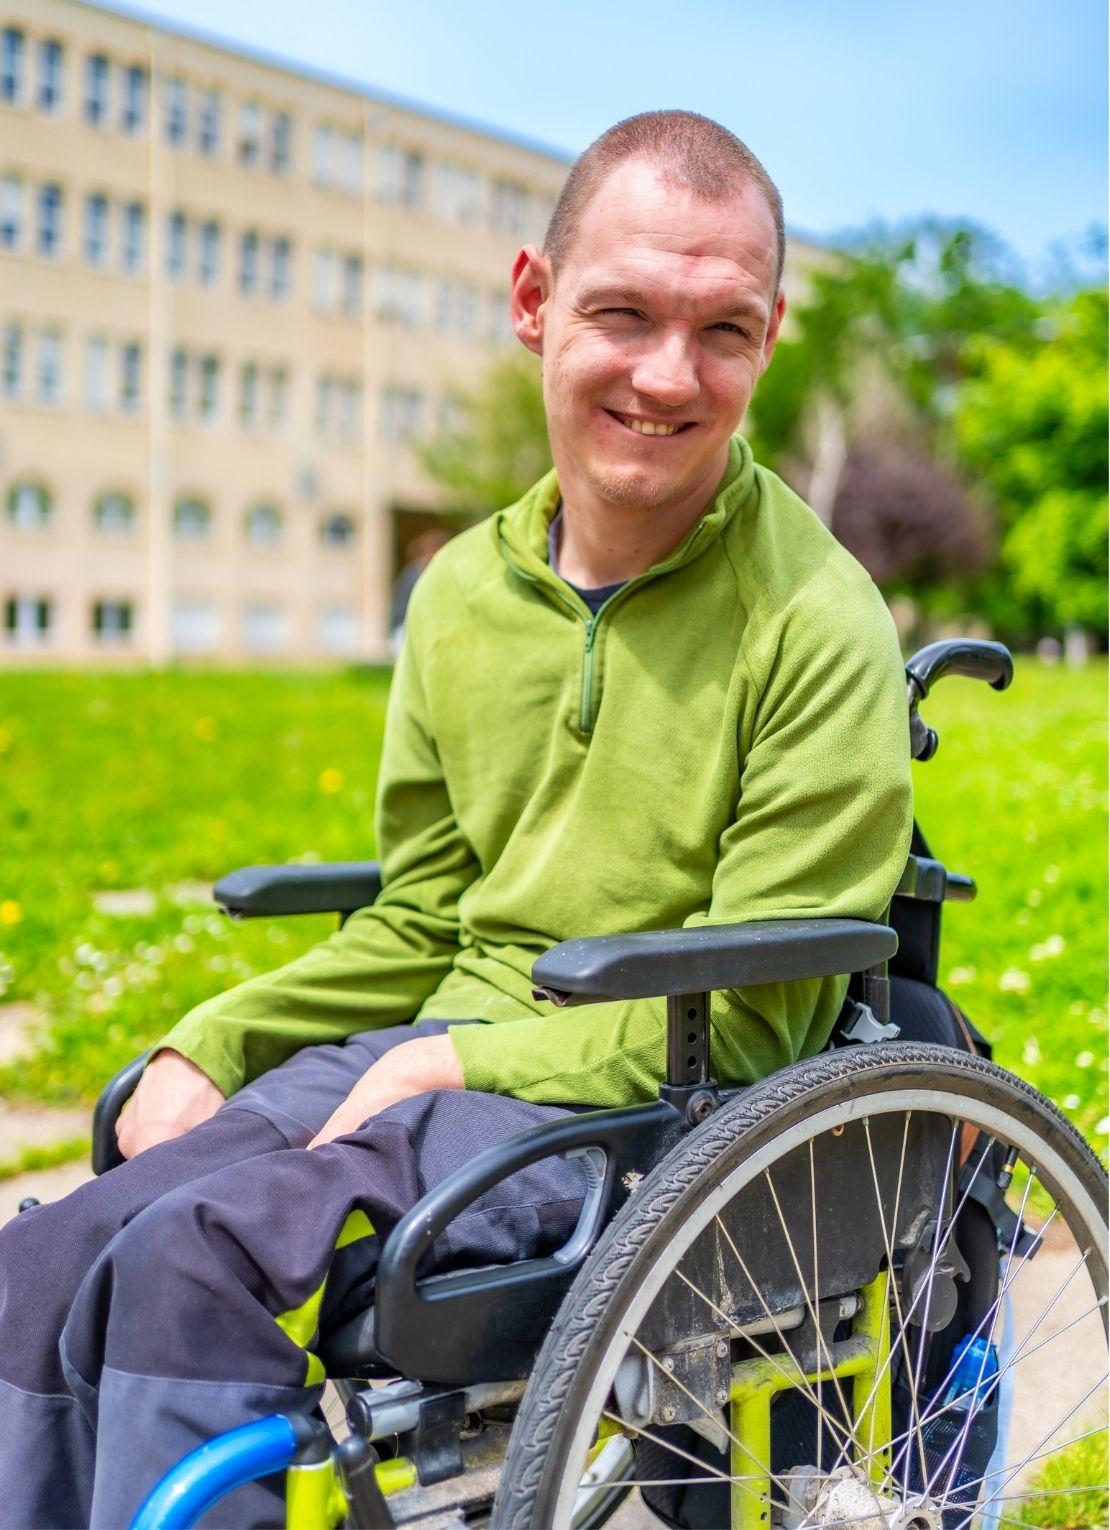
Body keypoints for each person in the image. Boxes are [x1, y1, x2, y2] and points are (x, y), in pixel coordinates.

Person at [0, 111, 912, 1529]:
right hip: (439, 1051)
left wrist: (454, 1056)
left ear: (769, 334)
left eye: (720, 329)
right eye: (621, 313)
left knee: (194, 1259)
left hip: (648, 1103)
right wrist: (219, 1037)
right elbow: (422, 912)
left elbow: (763, 1012)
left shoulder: (816, 618)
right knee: (47, 1255)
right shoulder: (463, 598)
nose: (667, 375)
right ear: (534, 303)